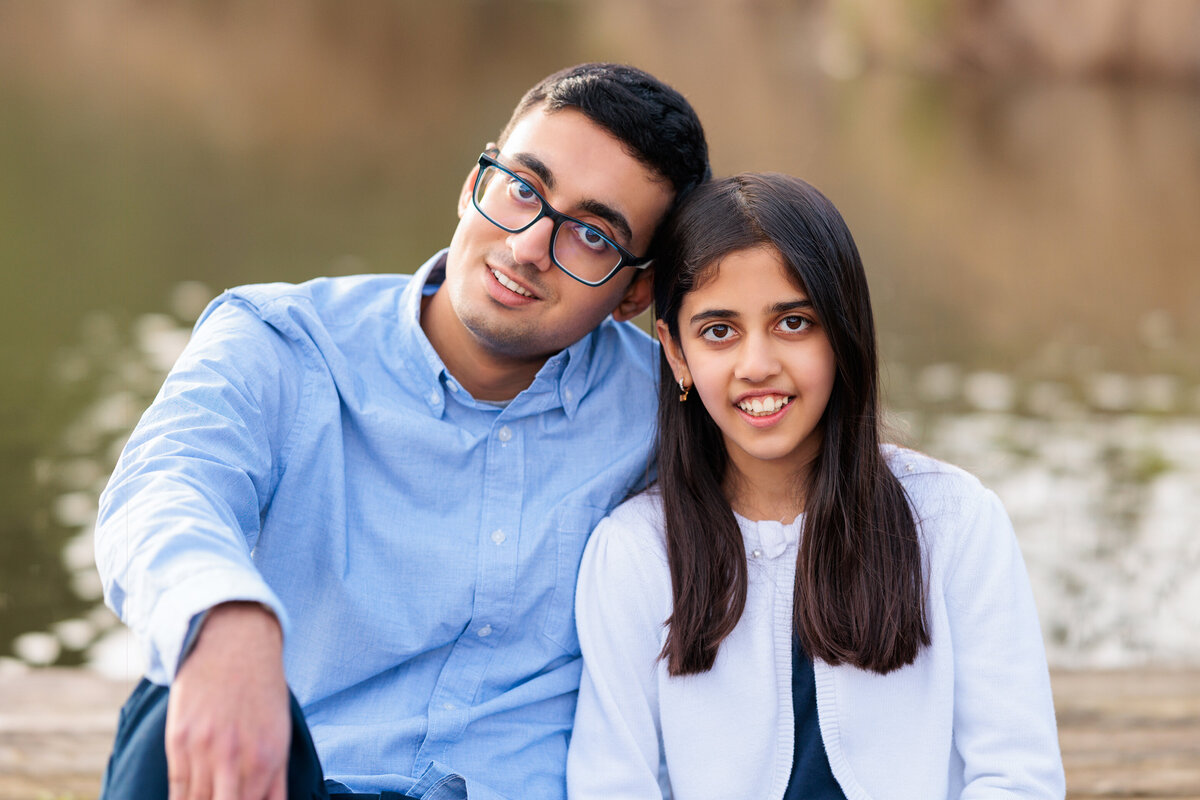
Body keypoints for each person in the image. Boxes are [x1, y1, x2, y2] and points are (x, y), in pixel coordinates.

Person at [94, 63, 710, 800]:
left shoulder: (671, 408)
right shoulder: (282, 343)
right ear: (471, 183)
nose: (526, 248)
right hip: (297, 779)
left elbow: (811, 452)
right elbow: (159, 491)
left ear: (635, 292)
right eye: (521, 187)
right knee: (170, 705)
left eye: (589, 234)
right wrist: (225, 615)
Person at [566, 173, 1066, 799]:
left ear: (843, 329)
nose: (757, 365)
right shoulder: (636, 551)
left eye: (794, 322)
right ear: (676, 353)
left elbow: (1018, 776)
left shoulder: (955, 520)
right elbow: (613, 782)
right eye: (719, 331)